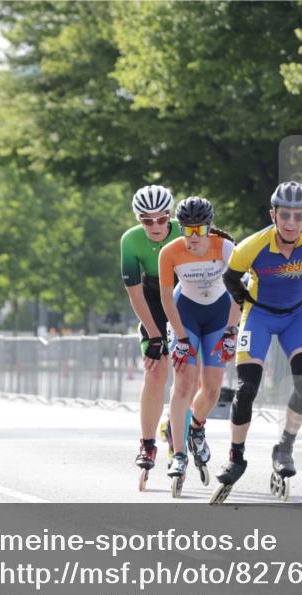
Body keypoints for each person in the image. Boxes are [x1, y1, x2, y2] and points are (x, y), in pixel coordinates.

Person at [212, 181, 302, 503]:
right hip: (259, 316)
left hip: (297, 315)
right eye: (285, 215)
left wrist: (295, 291)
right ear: (273, 215)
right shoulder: (250, 247)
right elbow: (230, 278)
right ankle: (236, 457)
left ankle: (285, 447)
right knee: (246, 388)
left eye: (298, 216)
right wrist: (246, 301)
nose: (291, 223)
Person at [158, 196, 241, 496]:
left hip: (219, 315)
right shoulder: (170, 252)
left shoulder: (226, 248)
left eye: (199, 230)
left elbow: (239, 292)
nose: (193, 237)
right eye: (187, 230)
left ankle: (196, 426)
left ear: (210, 227)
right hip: (186, 315)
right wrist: (180, 338)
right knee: (184, 384)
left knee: (213, 389)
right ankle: (179, 453)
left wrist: (231, 331)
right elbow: (166, 298)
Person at [120, 184, 181, 489]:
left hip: (184, 297)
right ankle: (147, 444)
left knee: (189, 373)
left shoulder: (185, 230)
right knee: (155, 371)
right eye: (147, 220)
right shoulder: (130, 240)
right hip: (152, 300)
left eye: (162, 219)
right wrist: (155, 337)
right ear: (139, 219)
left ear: (170, 216)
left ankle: (176, 424)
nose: (155, 226)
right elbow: (135, 294)